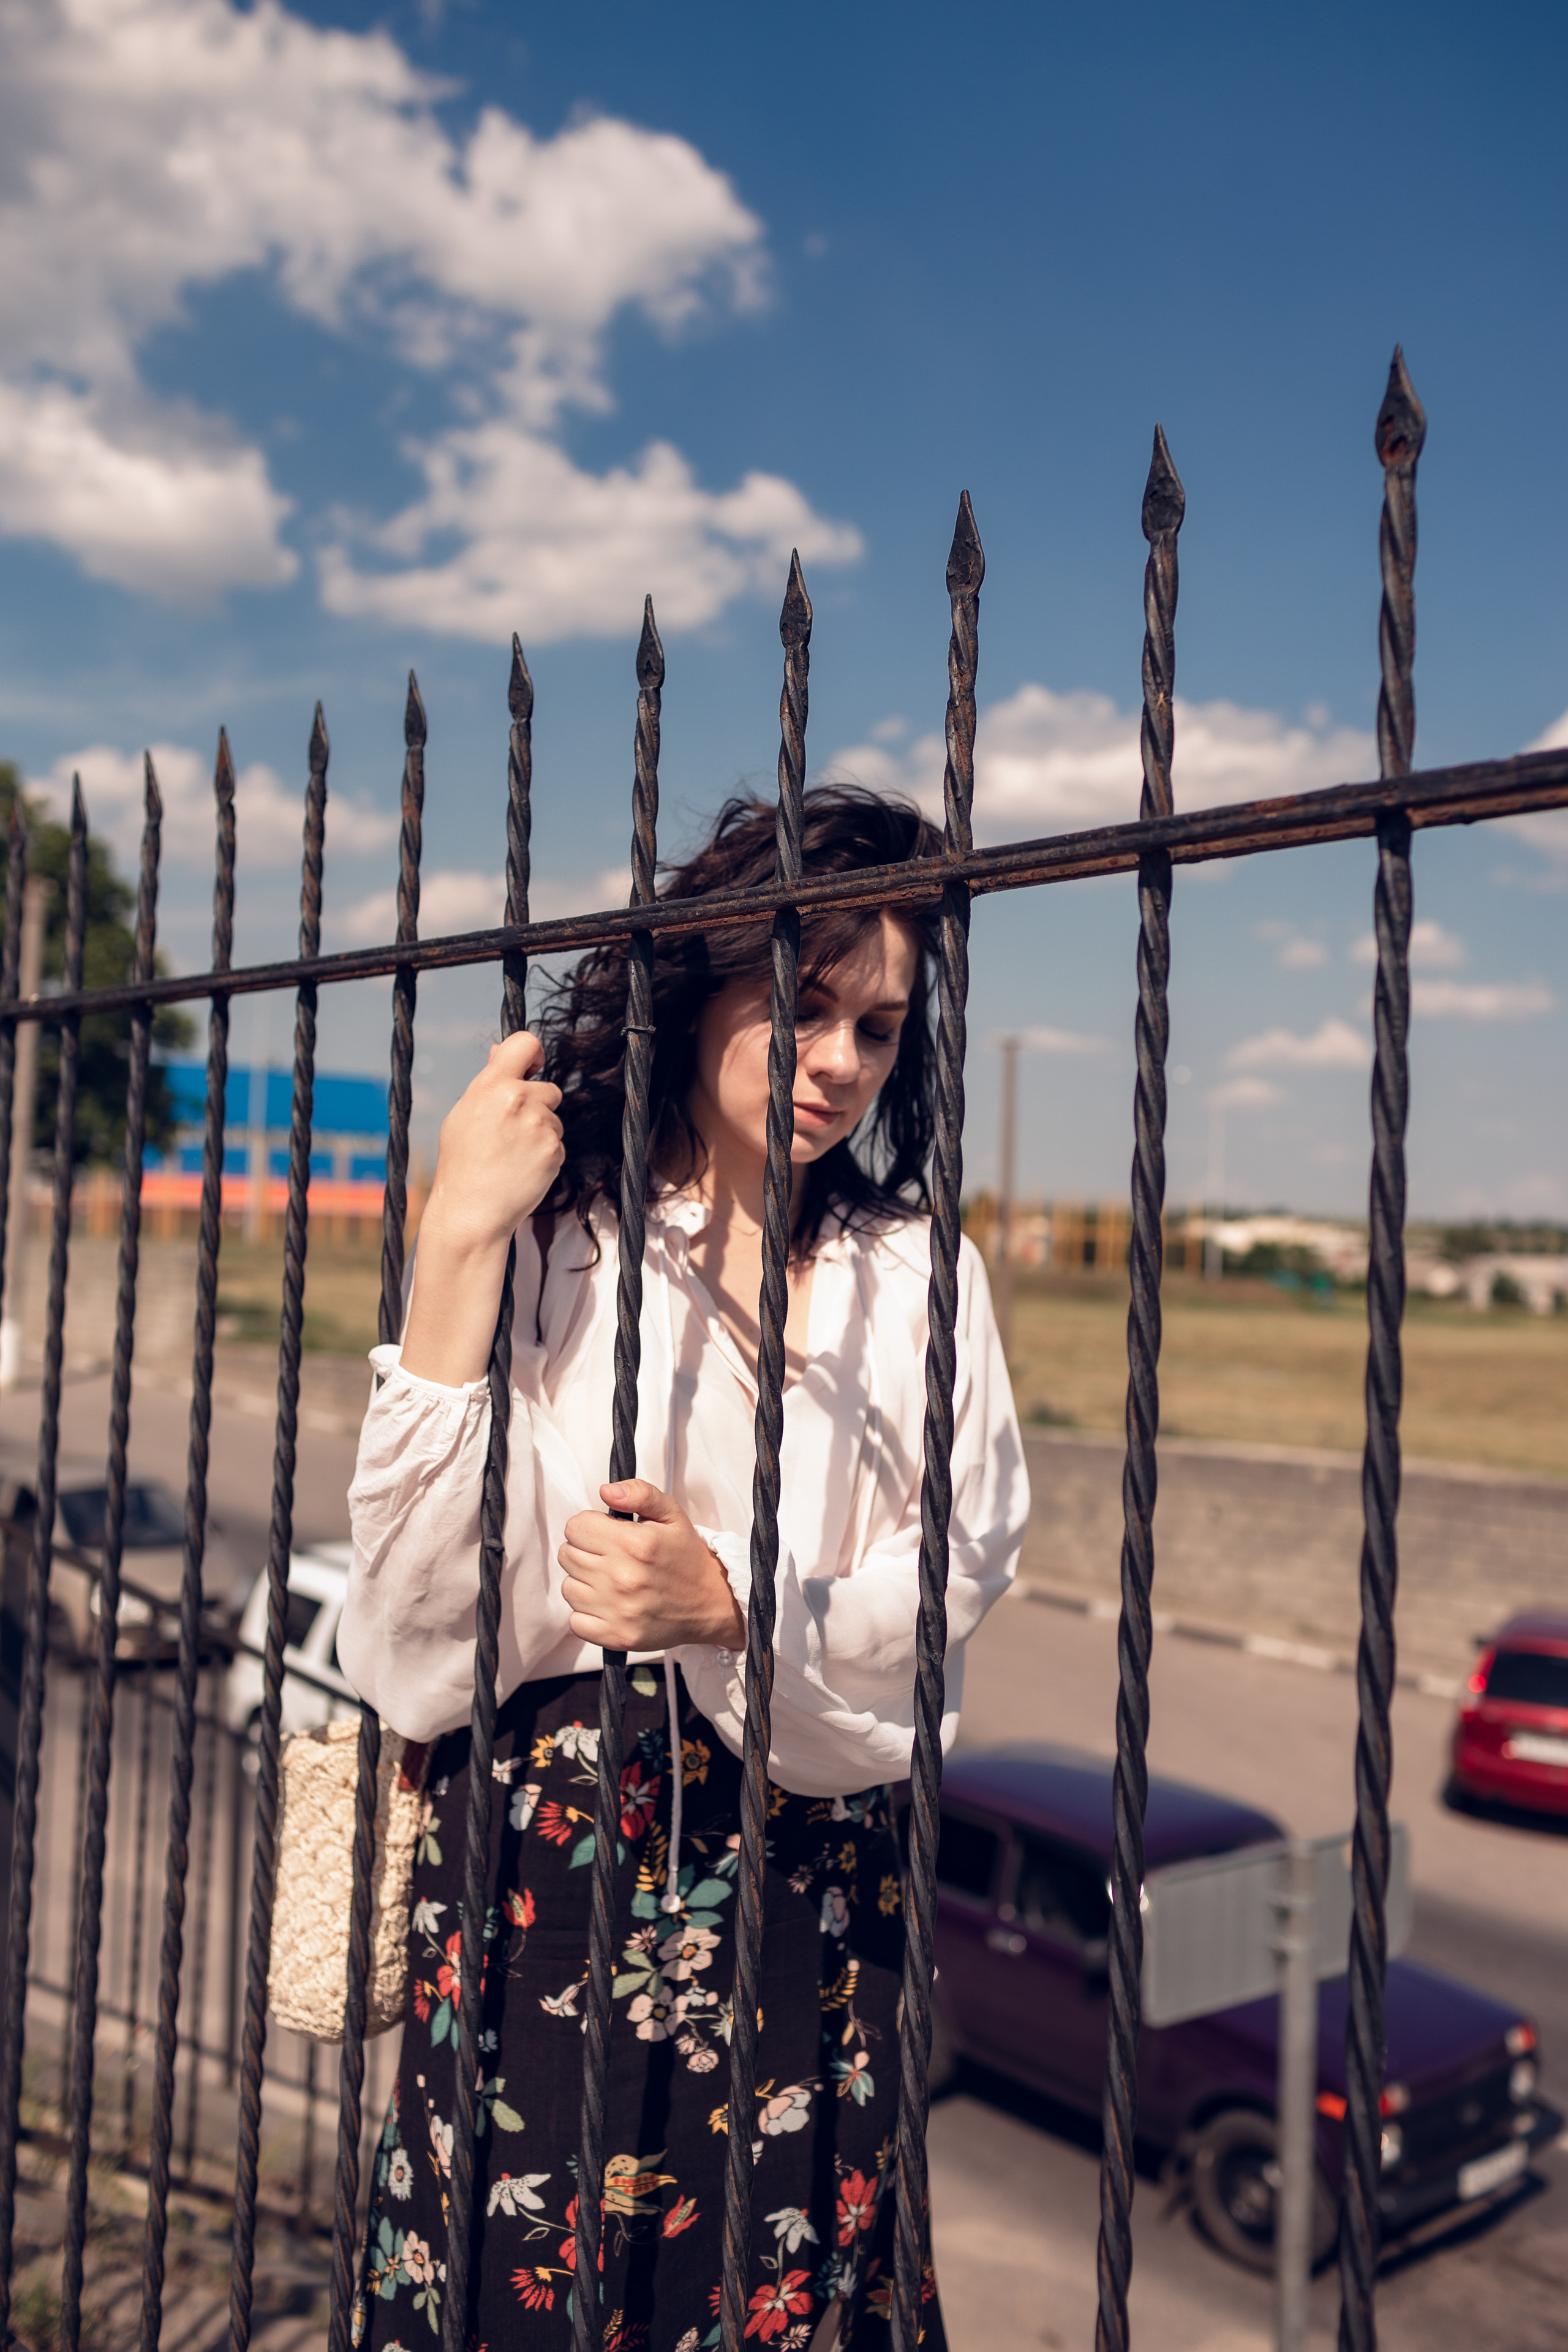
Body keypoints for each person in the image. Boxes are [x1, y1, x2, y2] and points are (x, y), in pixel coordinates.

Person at [341, 785, 1028, 2352]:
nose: (840, 1060)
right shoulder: (561, 1237)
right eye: (805, 1006)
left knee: (781, 2287)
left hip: (815, 1879)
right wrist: (456, 1242)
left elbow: (959, 1566)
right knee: (530, 2294)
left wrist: (729, 1605)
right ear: (709, 982)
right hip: (554, 1870)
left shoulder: (919, 1274)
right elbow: (413, 1623)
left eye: (878, 1028)